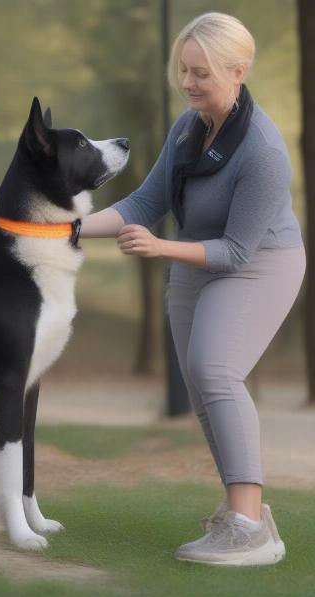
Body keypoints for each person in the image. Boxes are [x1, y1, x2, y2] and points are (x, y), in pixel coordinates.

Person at [80, 12, 305, 566]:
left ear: (238, 71)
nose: (187, 83)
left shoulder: (265, 153)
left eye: (201, 72)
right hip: (191, 256)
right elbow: (143, 204)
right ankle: (243, 518)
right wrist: (62, 229)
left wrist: (162, 249)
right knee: (202, 385)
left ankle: (250, 528)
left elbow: (237, 252)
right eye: (183, 69)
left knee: (215, 370)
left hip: (260, 263)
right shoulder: (188, 126)